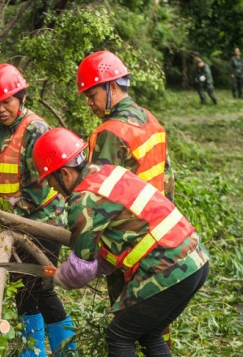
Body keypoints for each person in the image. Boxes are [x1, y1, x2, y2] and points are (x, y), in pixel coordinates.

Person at [33, 128, 210, 357]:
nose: (53, 190)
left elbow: (80, 269)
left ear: (65, 174)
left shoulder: (83, 199)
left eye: (50, 182)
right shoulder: (110, 172)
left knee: (118, 337)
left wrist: (59, 277)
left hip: (168, 268)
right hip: (196, 260)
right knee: (150, 334)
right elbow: (121, 237)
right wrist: (98, 264)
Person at [77, 50, 176, 347]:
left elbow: (99, 199)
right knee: (157, 323)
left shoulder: (110, 132)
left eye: (92, 94)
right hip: (163, 234)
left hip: (130, 243)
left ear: (112, 87)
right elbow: (168, 178)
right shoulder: (149, 119)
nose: (90, 103)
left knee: (127, 329)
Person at [0, 63, 75, 357]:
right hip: (12, 224)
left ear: (20, 97)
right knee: (23, 289)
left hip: (42, 224)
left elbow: (42, 181)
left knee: (42, 288)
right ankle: (31, 352)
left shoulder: (35, 128)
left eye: (6, 102)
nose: (0, 109)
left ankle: (66, 349)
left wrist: (12, 209)